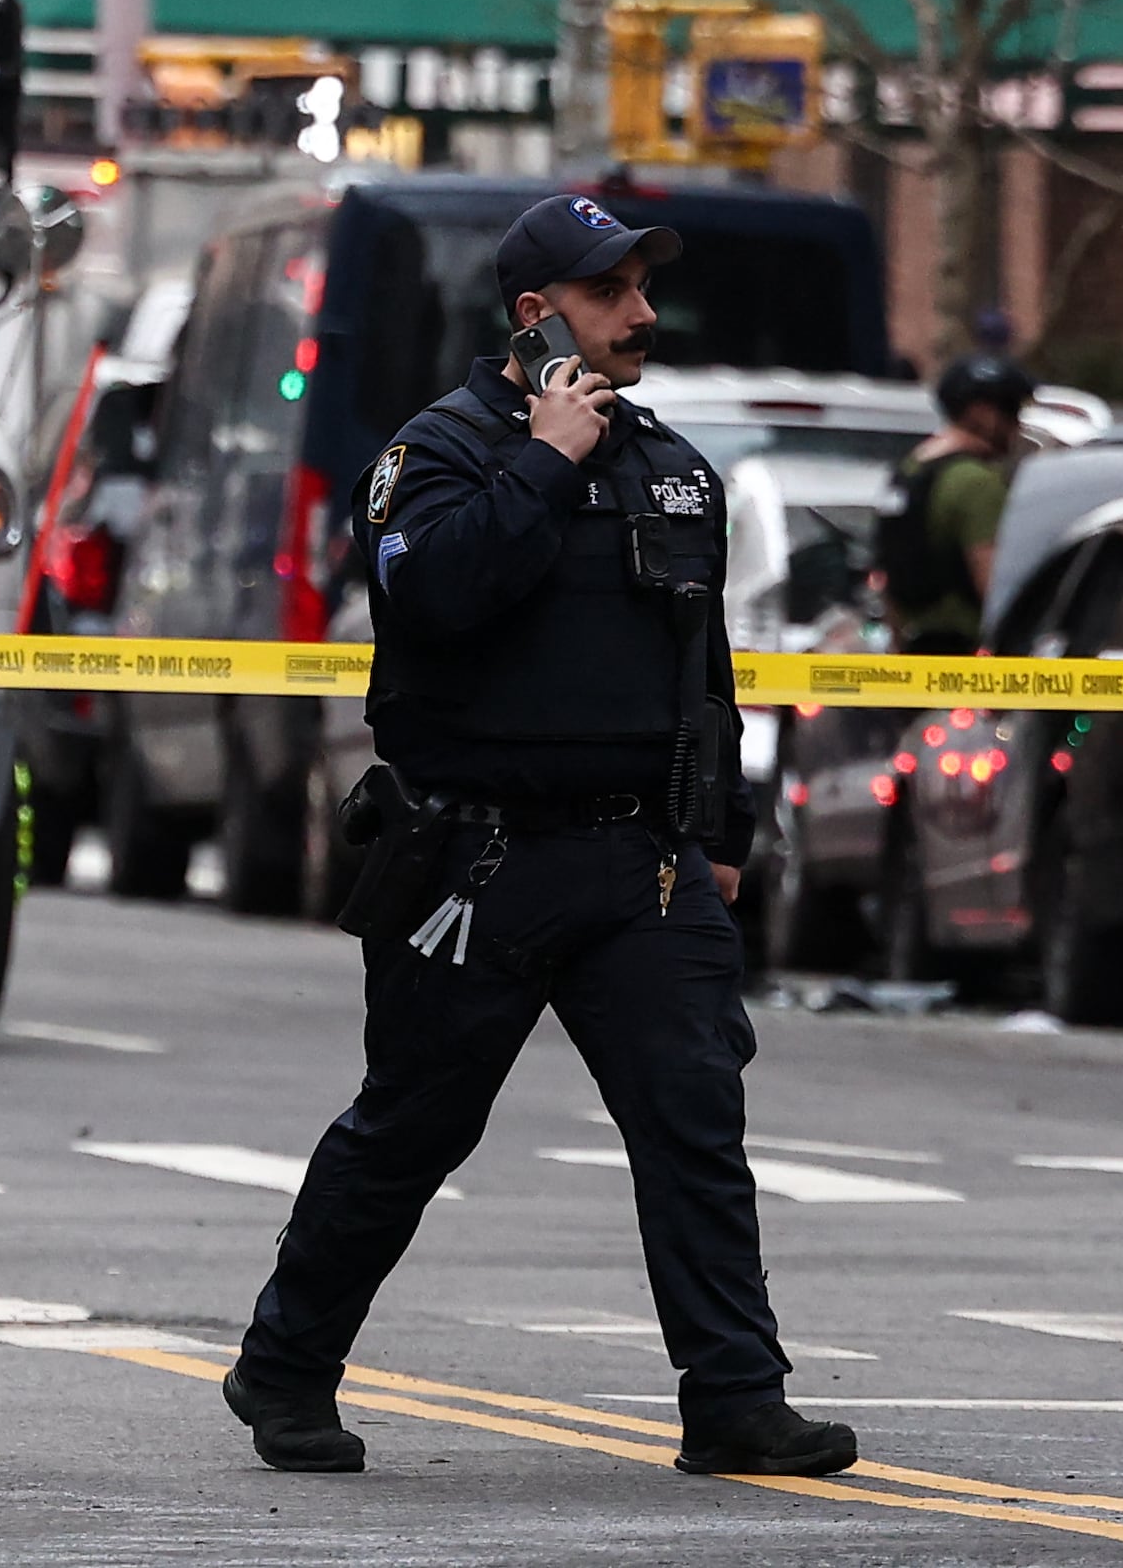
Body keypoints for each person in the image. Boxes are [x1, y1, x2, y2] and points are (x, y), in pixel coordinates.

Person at [224, 194, 857, 1485]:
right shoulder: (439, 452)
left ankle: (736, 1393)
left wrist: (723, 828)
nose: (640, 312)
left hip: (642, 862)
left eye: (639, 286)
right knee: (412, 1127)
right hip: (478, 860)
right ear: (533, 314)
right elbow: (438, 593)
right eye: (609, 290)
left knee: (694, 1120)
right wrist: (545, 458)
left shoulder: (671, 463)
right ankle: (285, 1365)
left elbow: (705, 664)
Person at [875, 357, 1030, 652]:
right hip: (963, 654)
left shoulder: (909, 471)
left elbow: (886, 575)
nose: (1017, 425)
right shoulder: (976, 482)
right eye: (1011, 410)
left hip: (912, 653)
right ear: (982, 413)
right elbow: (992, 586)